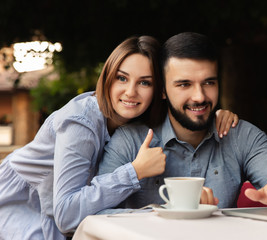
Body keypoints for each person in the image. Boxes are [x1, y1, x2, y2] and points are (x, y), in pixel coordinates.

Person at [0, 35, 239, 240]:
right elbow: (67, 214)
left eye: (145, 82)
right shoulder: (80, 124)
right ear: (108, 77)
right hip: (19, 204)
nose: (130, 92)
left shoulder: (137, 122)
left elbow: (188, 106)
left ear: (160, 91)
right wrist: (135, 171)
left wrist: (212, 115)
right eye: (121, 78)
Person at [98, 32, 267, 215]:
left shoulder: (241, 136)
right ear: (163, 91)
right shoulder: (130, 140)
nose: (200, 96)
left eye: (208, 82)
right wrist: (166, 213)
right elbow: (96, 212)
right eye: (184, 84)